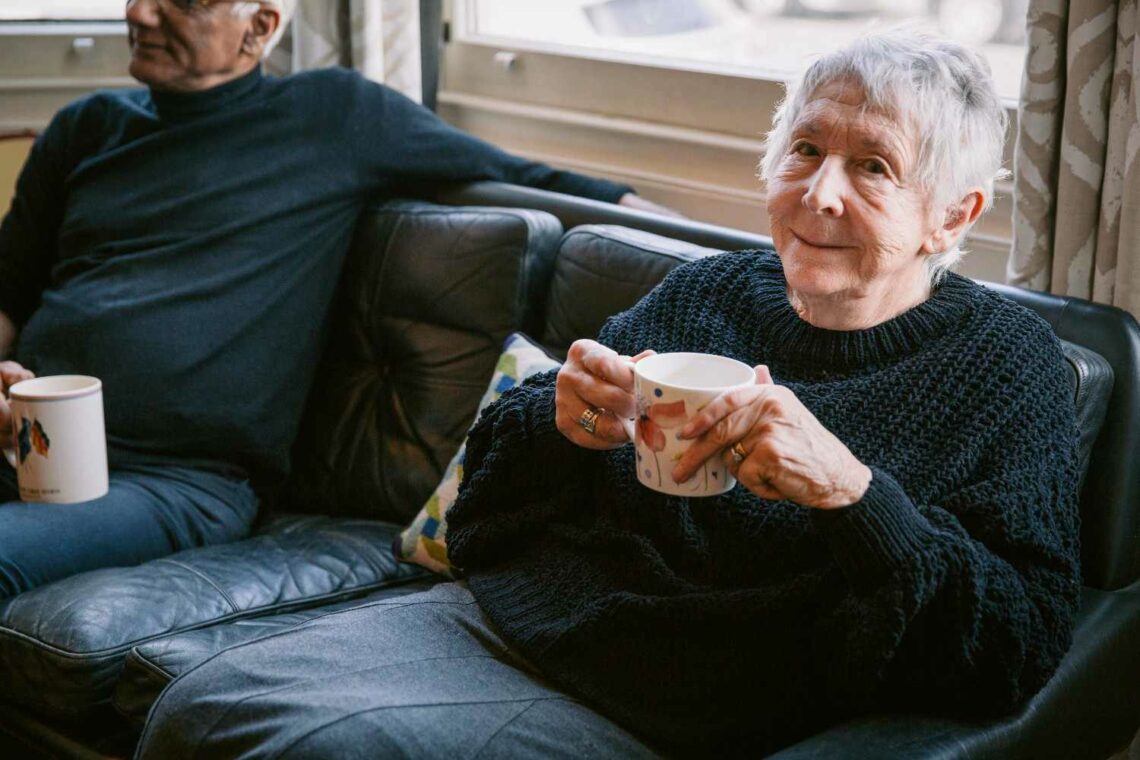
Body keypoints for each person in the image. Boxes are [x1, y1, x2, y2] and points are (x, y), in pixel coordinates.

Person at [135, 29, 1080, 758]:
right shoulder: (712, 291)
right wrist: (563, 420)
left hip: (696, 709)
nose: (819, 193)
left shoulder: (1010, 369)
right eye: (803, 150)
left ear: (953, 214)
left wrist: (853, 494)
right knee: (195, 705)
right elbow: (493, 490)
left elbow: (1018, 642)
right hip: (534, 622)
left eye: (873, 166)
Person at [0, 0, 668, 598]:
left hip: (176, 481)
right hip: (25, 443)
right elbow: (7, 294)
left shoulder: (333, 116)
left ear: (258, 28)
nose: (141, 14)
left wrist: (717, 238)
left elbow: (530, 178)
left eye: (181, 1)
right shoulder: (84, 129)